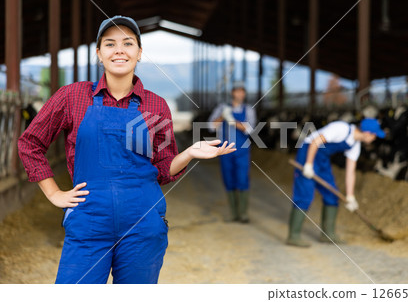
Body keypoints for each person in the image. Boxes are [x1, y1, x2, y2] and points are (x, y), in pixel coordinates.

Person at [17, 15, 235, 284]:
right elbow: (30, 142)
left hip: (143, 224)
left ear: (139, 52)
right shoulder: (72, 96)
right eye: (110, 44)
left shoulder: (155, 105)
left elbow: (164, 170)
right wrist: (52, 193)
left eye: (128, 43)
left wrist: (189, 153)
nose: (119, 50)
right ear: (99, 53)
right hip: (89, 222)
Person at [286, 118, 385, 247]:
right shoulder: (341, 129)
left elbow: (351, 171)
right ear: (367, 133)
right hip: (308, 152)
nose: (374, 139)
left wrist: (350, 196)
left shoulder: (355, 144)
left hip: (322, 160)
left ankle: (328, 234)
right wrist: (309, 165)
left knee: (332, 195)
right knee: (305, 194)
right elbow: (315, 142)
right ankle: (293, 235)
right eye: (374, 135)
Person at [208, 82, 256, 223]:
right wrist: (222, 116)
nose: (239, 94)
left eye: (242, 92)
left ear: (244, 94)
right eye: (237, 92)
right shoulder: (222, 108)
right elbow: (211, 126)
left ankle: (243, 213)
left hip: (242, 150)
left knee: (242, 178)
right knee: (228, 178)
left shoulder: (249, 110)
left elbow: (250, 129)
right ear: (232, 93)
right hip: (225, 149)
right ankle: (233, 213)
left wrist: (232, 120)